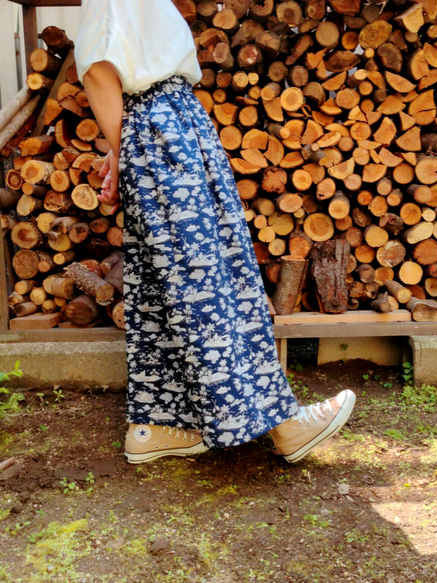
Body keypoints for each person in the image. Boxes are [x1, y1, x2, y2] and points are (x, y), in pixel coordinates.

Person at [74, 0, 355, 465]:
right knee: (206, 280)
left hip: (167, 127)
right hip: (165, 132)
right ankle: (282, 426)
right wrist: (125, 152)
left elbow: (118, 67)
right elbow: (100, 71)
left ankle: (159, 425)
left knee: (169, 282)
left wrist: (124, 147)